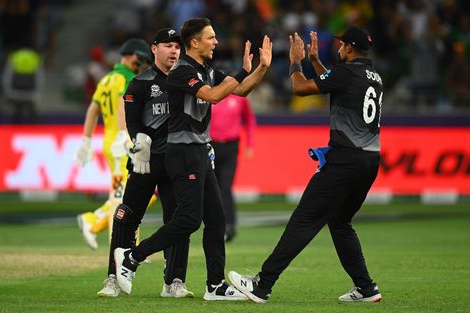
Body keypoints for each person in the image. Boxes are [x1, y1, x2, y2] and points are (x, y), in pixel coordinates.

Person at [114, 17, 272, 300]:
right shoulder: (180, 71)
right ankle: (131, 257)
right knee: (188, 220)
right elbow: (212, 97)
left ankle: (214, 286)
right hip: (183, 153)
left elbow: (242, 90)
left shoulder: (206, 69)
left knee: (217, 219)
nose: (216, 42)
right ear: (195, 42)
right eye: (211, 37)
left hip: (200, 151)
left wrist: (261, 68)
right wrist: (240, 71)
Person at [229, 27, 384, 304]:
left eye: (340, 45)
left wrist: (296, 61)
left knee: (304, 219)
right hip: (369, 161)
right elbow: (334, 82)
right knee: (340, 222)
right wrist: (315, 61)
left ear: (348, 48)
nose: (337, 48)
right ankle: (366, 288)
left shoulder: (346, 73)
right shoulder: (373, 76)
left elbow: (300, 88)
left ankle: (262, 285)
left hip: (344, 160)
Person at [97, 28, 194, 298]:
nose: (174, 50)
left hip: (176, 163)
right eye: (168, 45)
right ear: (154, 49)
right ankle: (113, 279)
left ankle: (174, 281)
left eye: (177, 46)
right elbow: (133, 120)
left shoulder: (187, 81)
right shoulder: (140, 83)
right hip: (145, 162)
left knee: (179, 220)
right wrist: (139, 140)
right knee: (125, 216)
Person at [75, 38, 153, 250]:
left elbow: (93, 109)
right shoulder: (126, 78)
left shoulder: (107, 79)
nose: (142, 64)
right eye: (140, 59)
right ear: (132, 56)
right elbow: (122, 106)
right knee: (121, 196)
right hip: (123, 144)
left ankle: (95, 221)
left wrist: (86, 140)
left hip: (113, 142)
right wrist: (123, 135)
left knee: (138, 193)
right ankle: (118, 246)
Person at [210, 93, 256, 242]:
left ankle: (229, 224)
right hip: (211, 146)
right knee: (212, 188)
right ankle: (214, 224)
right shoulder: (211, 95)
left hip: (231, 146)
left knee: (225, 186)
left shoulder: (239, 98)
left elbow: (249, 119)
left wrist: (250, 144)